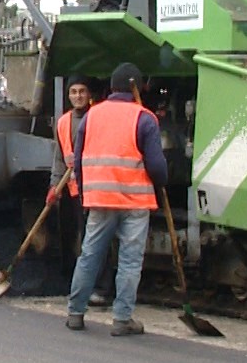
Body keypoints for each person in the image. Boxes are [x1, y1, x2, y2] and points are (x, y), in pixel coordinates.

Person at [65, 62, 168, 336]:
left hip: (99, 199)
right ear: (137, 87)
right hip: (134, 202)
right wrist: (162, 180)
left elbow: (78, 160)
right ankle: (122, 319)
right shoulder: (145, 118)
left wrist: (87, 193)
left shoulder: (91, 116)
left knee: (90, 255)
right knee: (130, 261)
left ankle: (75, 313)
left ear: (112, 87)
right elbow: (157, 167)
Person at [47, 75, 112, 306]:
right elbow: (59, 157)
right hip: (74, 189)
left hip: (96, 188)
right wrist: (55, 185)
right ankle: (81, 284)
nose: (77, 96)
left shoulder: (98, 119)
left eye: (81, 91)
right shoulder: (64, 122)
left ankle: (102, 288)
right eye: (73, 92)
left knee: (95, 239)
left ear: (90, 94)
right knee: (79, 237)